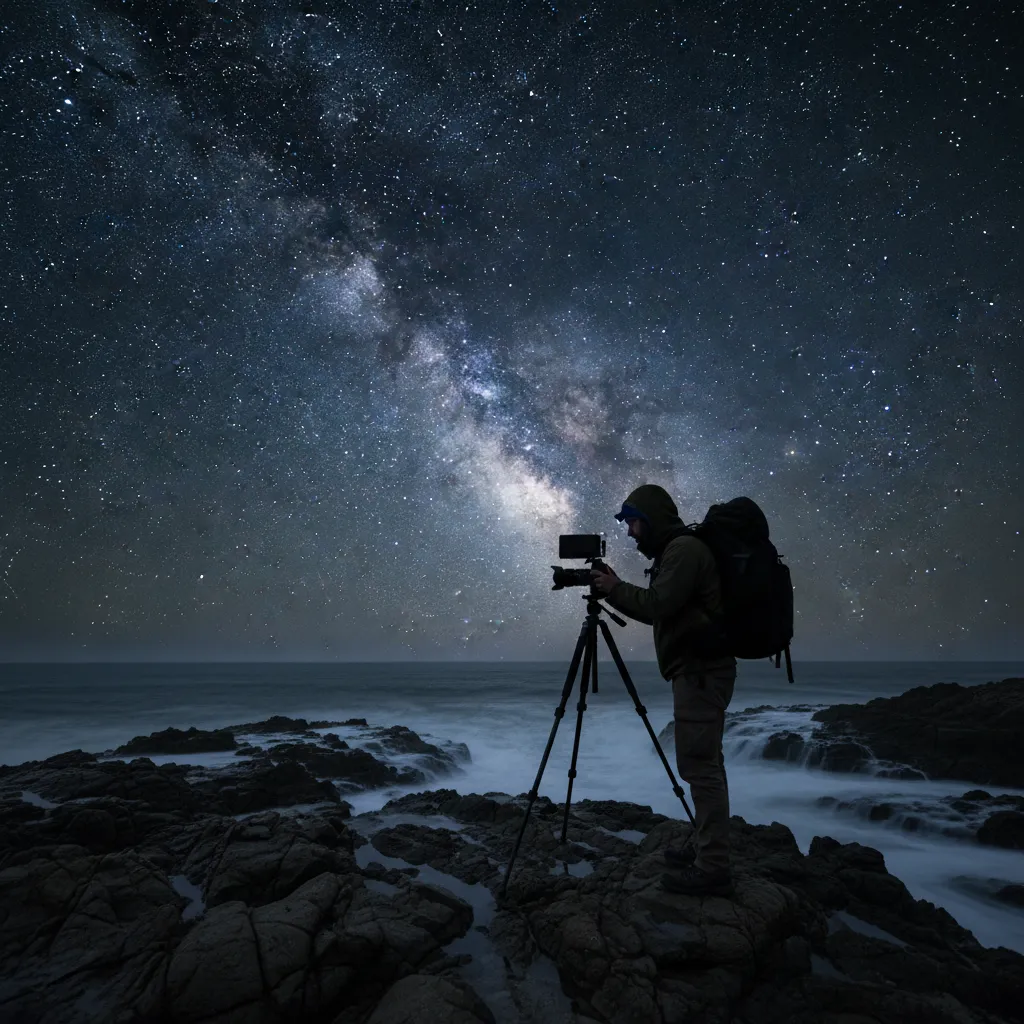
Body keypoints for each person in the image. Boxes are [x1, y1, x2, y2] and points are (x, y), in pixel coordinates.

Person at [590, 483, 737, 897]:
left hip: (701, 673)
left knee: (700, 768)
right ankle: (707, 848)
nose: (632, 533)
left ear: (651, 518)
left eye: (634, 523)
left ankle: (713, 869)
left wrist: (613, 588)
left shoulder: (684, 551)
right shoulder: (678, 551)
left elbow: (658, 605)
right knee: (704, 763)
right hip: (697, 671)